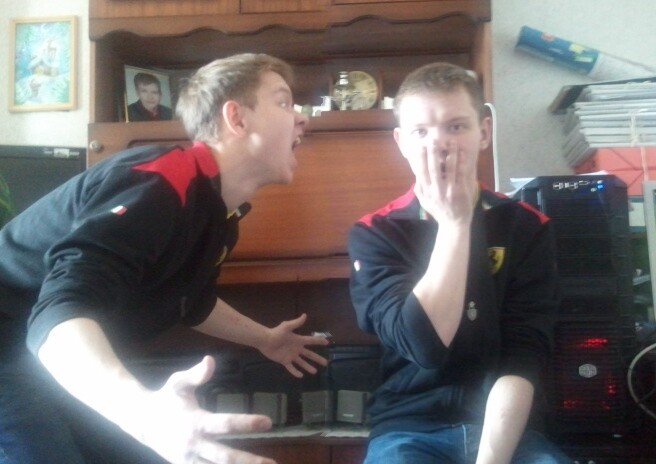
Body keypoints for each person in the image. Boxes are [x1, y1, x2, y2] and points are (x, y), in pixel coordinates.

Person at [0, 53, 328, 464]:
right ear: (237, 118)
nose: (302, 118)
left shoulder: (221, 218)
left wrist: (266, 339)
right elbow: (59, 310)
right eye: (283, 102)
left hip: (45, 355)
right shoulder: (161, 183)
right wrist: (147, 417)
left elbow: (192, 302)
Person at [347, 62, 570, 464]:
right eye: (421, 131)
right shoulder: (375, 233)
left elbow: (524, 355)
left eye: (456, 126)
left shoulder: (528, 227)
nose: (439, 144)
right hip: (410, 427)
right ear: (401, 142)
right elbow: (425, 347)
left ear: (484, 132)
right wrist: (455, 222)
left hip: (509, 428)